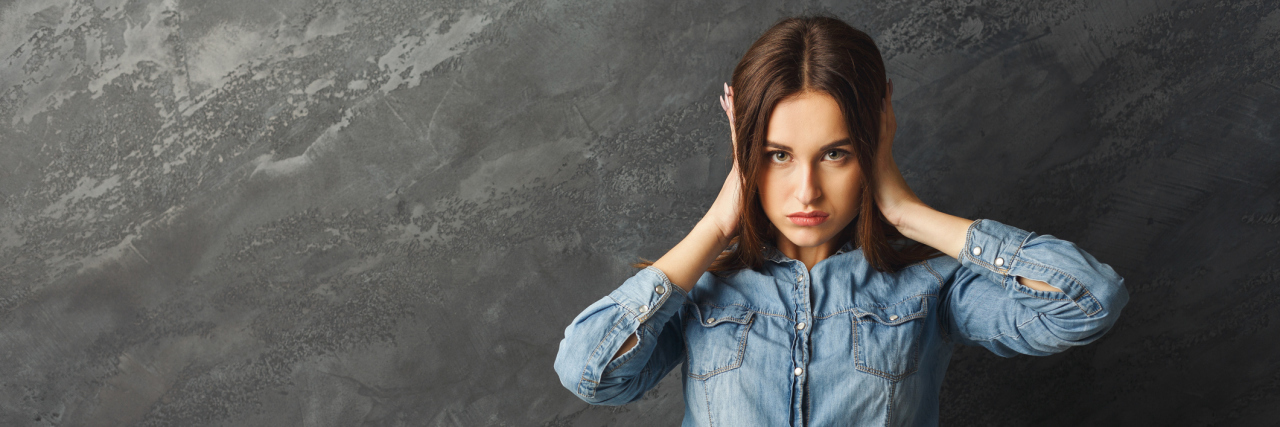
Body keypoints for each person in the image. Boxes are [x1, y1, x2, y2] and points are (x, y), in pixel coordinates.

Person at [553, 14, 1128, 426]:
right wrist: (718, 222)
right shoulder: (699, 294)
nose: (806, 190)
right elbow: (589, 375)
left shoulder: (932, 288)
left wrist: (905, 211)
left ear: (873, 145)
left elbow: (1087, 303)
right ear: (746, 152)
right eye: (778, 155)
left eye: (836, 153)